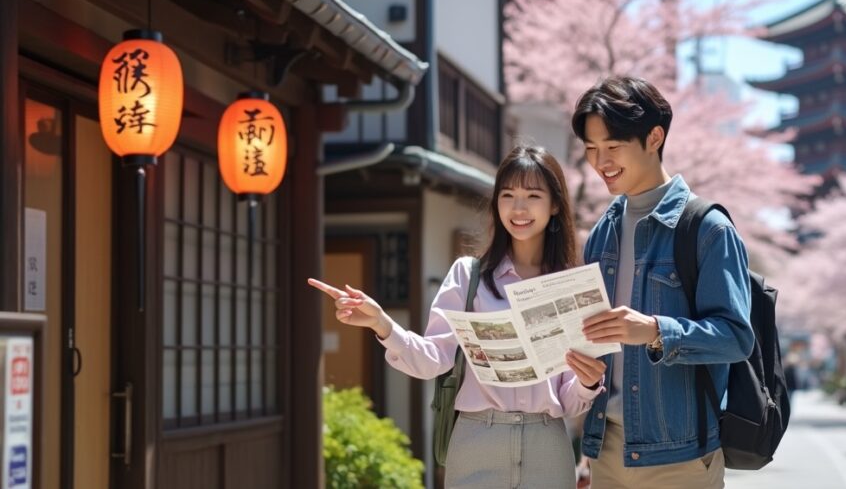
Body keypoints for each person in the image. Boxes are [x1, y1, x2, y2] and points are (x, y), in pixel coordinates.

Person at [308, 145, 607, 488]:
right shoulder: (469, 276)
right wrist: (382, 323)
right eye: (507, 195)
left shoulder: (568, 285)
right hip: (477, 438)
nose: (518, 208)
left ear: (554, 205)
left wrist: (586, 383)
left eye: (533, 195)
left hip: (547, 445)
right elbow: (434, 359)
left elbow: (569, 403)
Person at [572, 76, 754, 489]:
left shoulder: (707, 229)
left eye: (612, 147)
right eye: (591, 150)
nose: (601, 162)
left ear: (654, 137)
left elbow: (736, 338)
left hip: (681, 458)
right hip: (607, 451)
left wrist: (656, 331)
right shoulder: (602, 233)